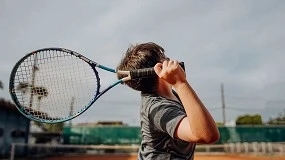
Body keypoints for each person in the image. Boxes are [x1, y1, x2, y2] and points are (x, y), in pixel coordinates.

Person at [117, 42, 220, 160]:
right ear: (158, 69)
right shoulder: (158, 108)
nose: (169, 59)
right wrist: (180, 83)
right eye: (163, 57)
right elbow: (207, 135)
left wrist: (179, 86)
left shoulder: (174, 94)